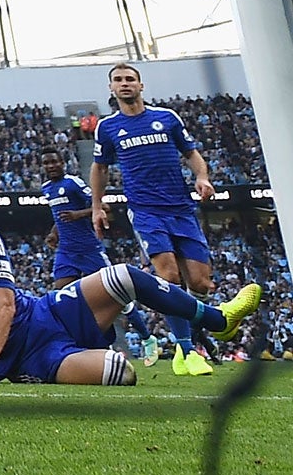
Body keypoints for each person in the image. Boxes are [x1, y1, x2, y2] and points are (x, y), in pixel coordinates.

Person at [0, 189, 256, 386]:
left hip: (45, 312)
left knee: (125, 275)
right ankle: (90, 350)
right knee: (119, 372)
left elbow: (5, 306)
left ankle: (217, 318)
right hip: (26, 358)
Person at [89, 64, 219, 375]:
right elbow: (100, 168)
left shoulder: (167, 118)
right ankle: (186, 351)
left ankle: (192, 331)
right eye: (118, 80)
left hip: (181, 208)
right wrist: (97, 205)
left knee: (200, 282)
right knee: (169, 276)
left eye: (129, 79)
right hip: (146, 211)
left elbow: (191, 153)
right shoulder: (107, 128)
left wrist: (202, 177)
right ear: (111, 89)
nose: (124, 84)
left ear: (141, 85)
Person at [40, 147, 157, 367]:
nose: (51, 166)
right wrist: (54, 233)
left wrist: (79, 214)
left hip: (89, 250)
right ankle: (76, 345)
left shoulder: (73, 183)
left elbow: (103, 206)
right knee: (61, 296)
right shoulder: (47, 188)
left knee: (118, 293)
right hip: (66, 251)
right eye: (46, 163)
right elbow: (59, 215)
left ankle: (147, 337)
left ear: (62, 163)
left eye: (54, 162)